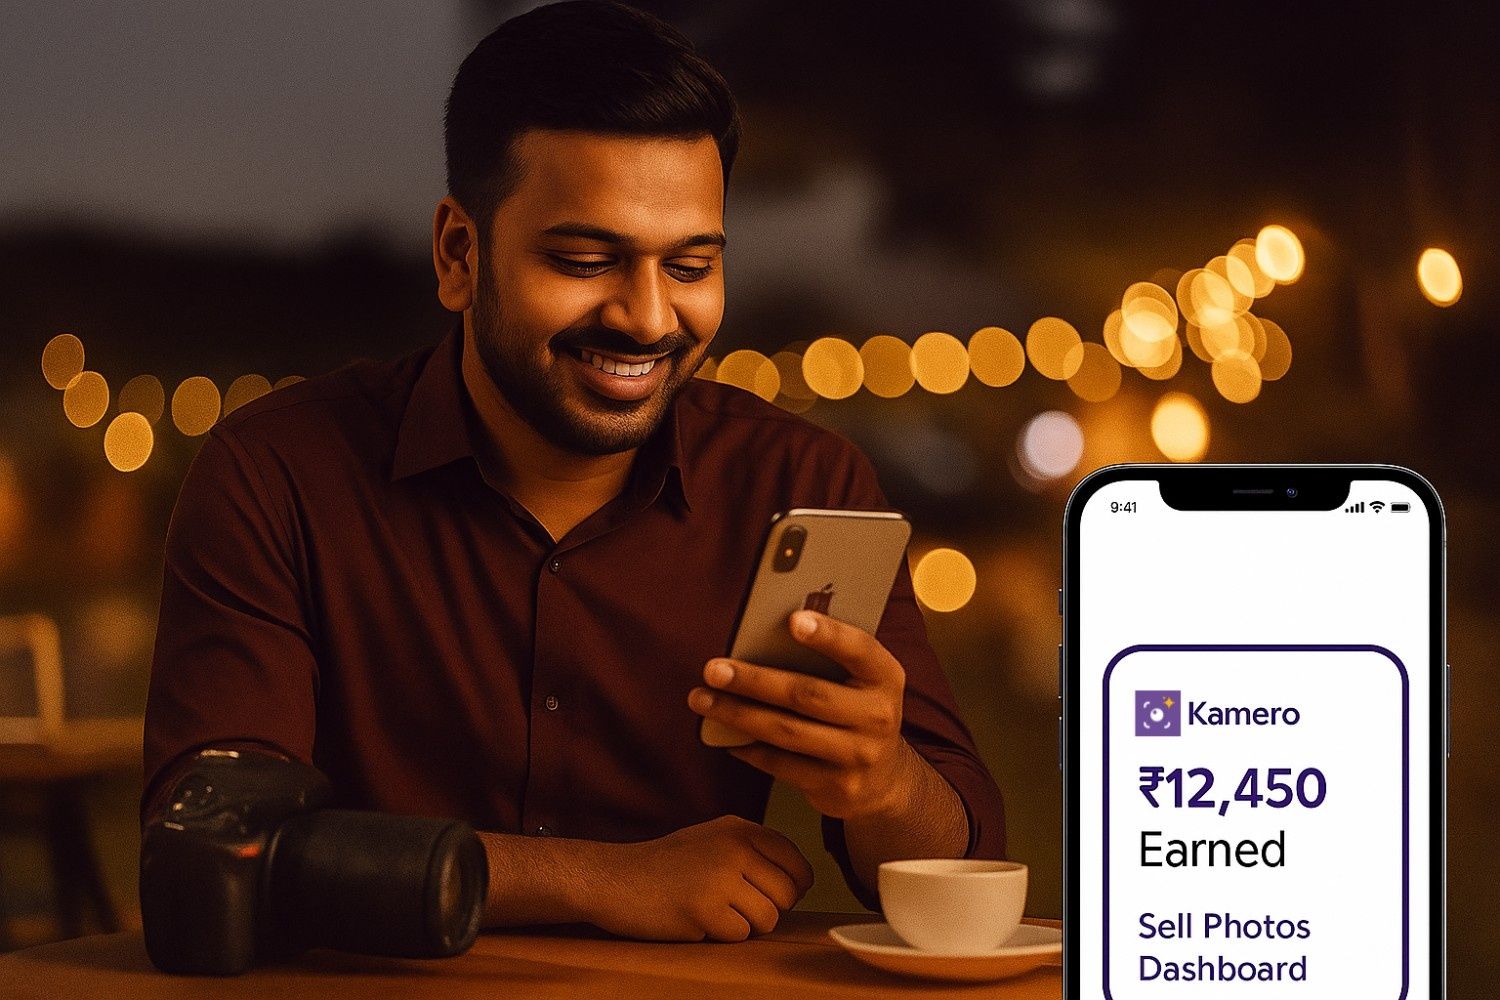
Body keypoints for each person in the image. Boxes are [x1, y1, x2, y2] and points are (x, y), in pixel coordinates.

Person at [142, 0, 1006, 944]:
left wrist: (884, 785)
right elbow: (207, 849)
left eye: (690, 266)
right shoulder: (274, 476)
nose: (648, 318)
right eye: (588, 260)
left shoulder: (801, 483)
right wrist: (595, 880)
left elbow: (962, 864)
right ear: (460, 253)